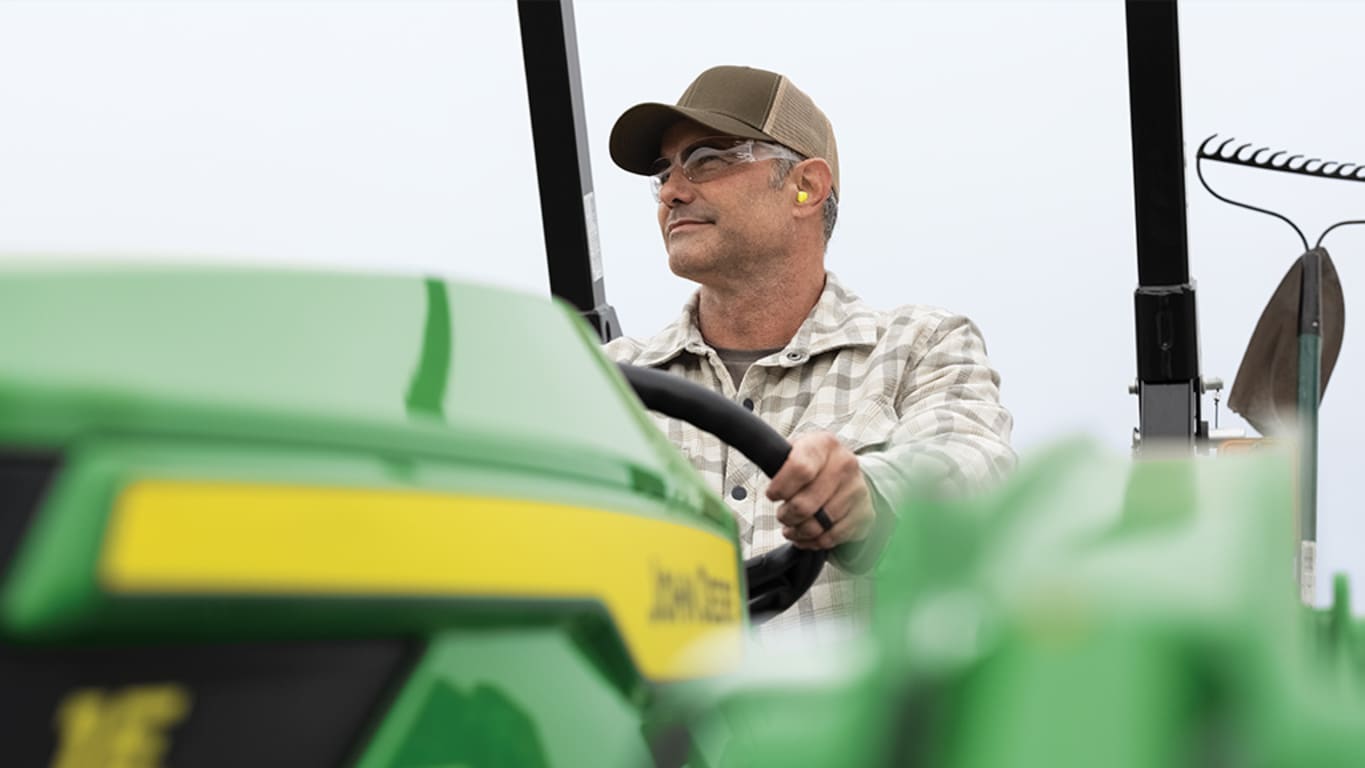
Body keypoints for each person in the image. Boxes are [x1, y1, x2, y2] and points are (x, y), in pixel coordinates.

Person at [604, 65, 1014, 636]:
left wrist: (867, 493)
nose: (672, 191)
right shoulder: (606, 378)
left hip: (843, 723)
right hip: (656, 721)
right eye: (664, 173)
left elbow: (972, 467)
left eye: (708, 160)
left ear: (806, 186)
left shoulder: (922, 345)